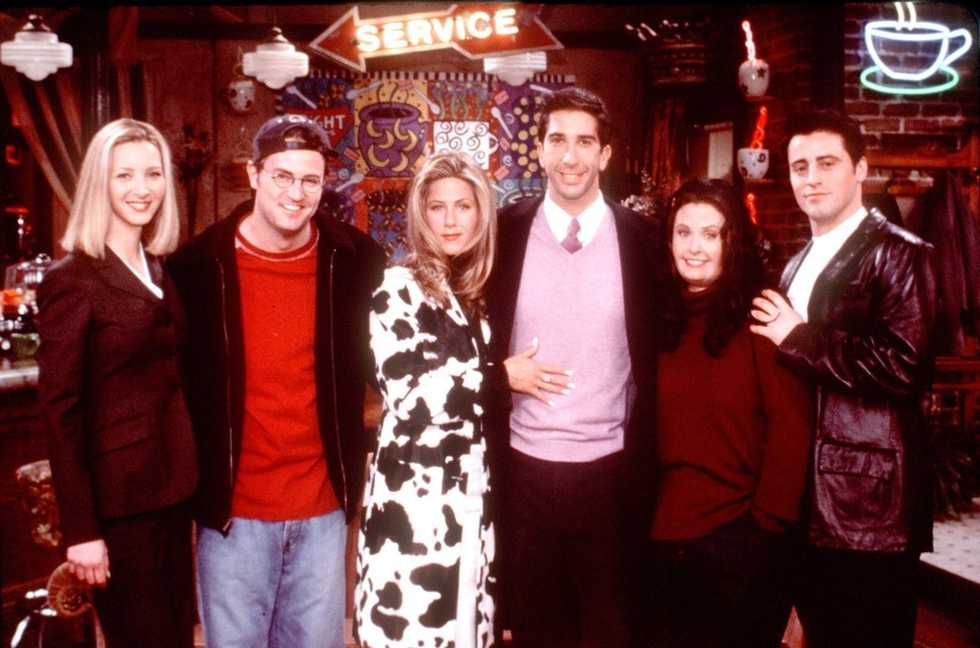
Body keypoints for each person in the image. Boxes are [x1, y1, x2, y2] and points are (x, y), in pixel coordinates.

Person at [167, 114, 385, 648]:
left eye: (311, 180)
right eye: (282, 176)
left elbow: (384, 366)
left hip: (323, 509)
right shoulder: (196, 267)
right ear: (254, 174)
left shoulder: (355, 260)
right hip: (232, 516)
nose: (296, 193)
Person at [751, 110, 937, 648]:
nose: (811, 178)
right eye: (800, 166)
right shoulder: (798, 262)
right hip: (807, 500)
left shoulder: (901, 254)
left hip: (868, 508)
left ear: (860, 169)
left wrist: (798, 336)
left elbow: (905, 367)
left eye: (827, 163)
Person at [485, 86, 659, 647]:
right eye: (557, 140)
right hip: (523, 470)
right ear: (539, 150)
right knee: (537, 633)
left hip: (612, 474)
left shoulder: (643, 240)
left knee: (612, 631)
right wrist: (497, 371)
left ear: (605, 155)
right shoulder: (503, 232)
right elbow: (464, 329)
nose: (570, 155)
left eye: (585, 142)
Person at [36, 118, 196, 647]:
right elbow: (61, 411)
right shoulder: (71, 280)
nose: (141, 188)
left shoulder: (158, 267)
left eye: (153, 173)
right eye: (124, 175)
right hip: (118, 509)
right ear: (98, 184)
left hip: (171, 494)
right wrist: (82, 531)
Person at [647, 178, 812, 647]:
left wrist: (764, 530)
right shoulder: (656, 316)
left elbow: (792, 429)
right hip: (661, 537)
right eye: (683, 233)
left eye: (710, 234)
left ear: (731, 242)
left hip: (740, 540)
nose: (694, 248)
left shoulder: (762, 315)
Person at [354, 151, 497, 648]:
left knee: (465, 628)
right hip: (413, 498)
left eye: (463, 206)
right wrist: (500, 379)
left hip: (470, 492)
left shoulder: (478, 292)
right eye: (438, 207)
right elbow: (412, 395)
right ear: (421, 214)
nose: (451, 220)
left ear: (481, 214)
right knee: (411, 629)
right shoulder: (399, 288)